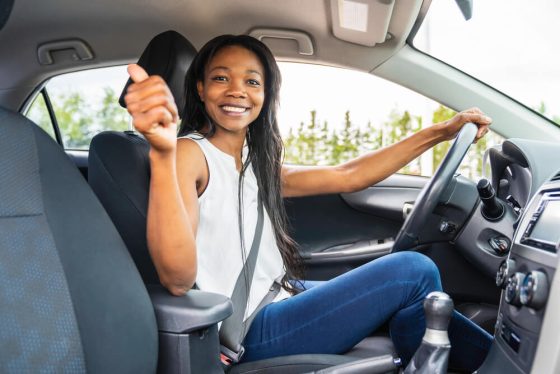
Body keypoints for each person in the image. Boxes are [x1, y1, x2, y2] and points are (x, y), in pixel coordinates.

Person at [124, 34, 493, 370]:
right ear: (201, 88)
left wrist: (440, 132)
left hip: (279, 297)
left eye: (252, 81)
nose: (237, 91)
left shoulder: (253, 162)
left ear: (265, 95)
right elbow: (177, 279)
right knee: (414, 272)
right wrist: (161, 151)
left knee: (413, 292)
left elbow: (349, 176)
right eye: (221, 78)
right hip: (247, 328)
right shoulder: (188, 154)